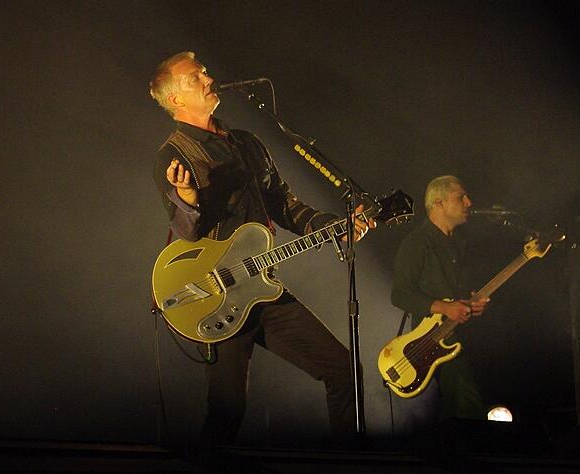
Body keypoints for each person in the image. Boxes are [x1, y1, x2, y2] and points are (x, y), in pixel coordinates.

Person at [149, 51, 374, 446]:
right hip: (218, 296)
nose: (207, 78)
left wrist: (334, 227)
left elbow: (284, 204)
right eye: (194, 77)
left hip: (262, 288)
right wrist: (187, 199)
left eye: (204, 71)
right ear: (175, 100)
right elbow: (186, 232)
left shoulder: (248, 143)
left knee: (343, 371)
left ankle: (348, 462)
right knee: (228, 411)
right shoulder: (174, 155)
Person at [390, 175, 490, 422]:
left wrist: (471, 303)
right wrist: (444, 308)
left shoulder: (460, 244)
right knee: (467, 407)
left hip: (464, 338)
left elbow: (458, 294)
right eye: (461, 197)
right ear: (438, 203)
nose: (469, 202)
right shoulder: (416, 243)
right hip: (431, 343)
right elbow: (400, 294)